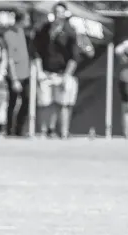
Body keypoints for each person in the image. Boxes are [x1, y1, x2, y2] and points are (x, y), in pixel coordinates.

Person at [33, 1, 80, 139]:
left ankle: (64, 133)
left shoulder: (70, 31)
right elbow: (36, 52)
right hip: (46, 73)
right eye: (55, 11)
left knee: (64, 104)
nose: (57, 14)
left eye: (60, 12)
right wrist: (39, 71)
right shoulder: (44, 30)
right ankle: (43, 132)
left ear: (65, 14)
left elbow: (74, 57)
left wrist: (66, 76)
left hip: (63, 73)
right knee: (44, 103)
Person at [2, 9, 32, 137]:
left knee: (26, 101)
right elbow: (10, 58)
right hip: (15, 75)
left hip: (25, 73)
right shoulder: (9, 34)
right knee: (12, 103)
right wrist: (14, 79)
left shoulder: (23, 33)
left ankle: (20, 129)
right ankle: (10, 130)